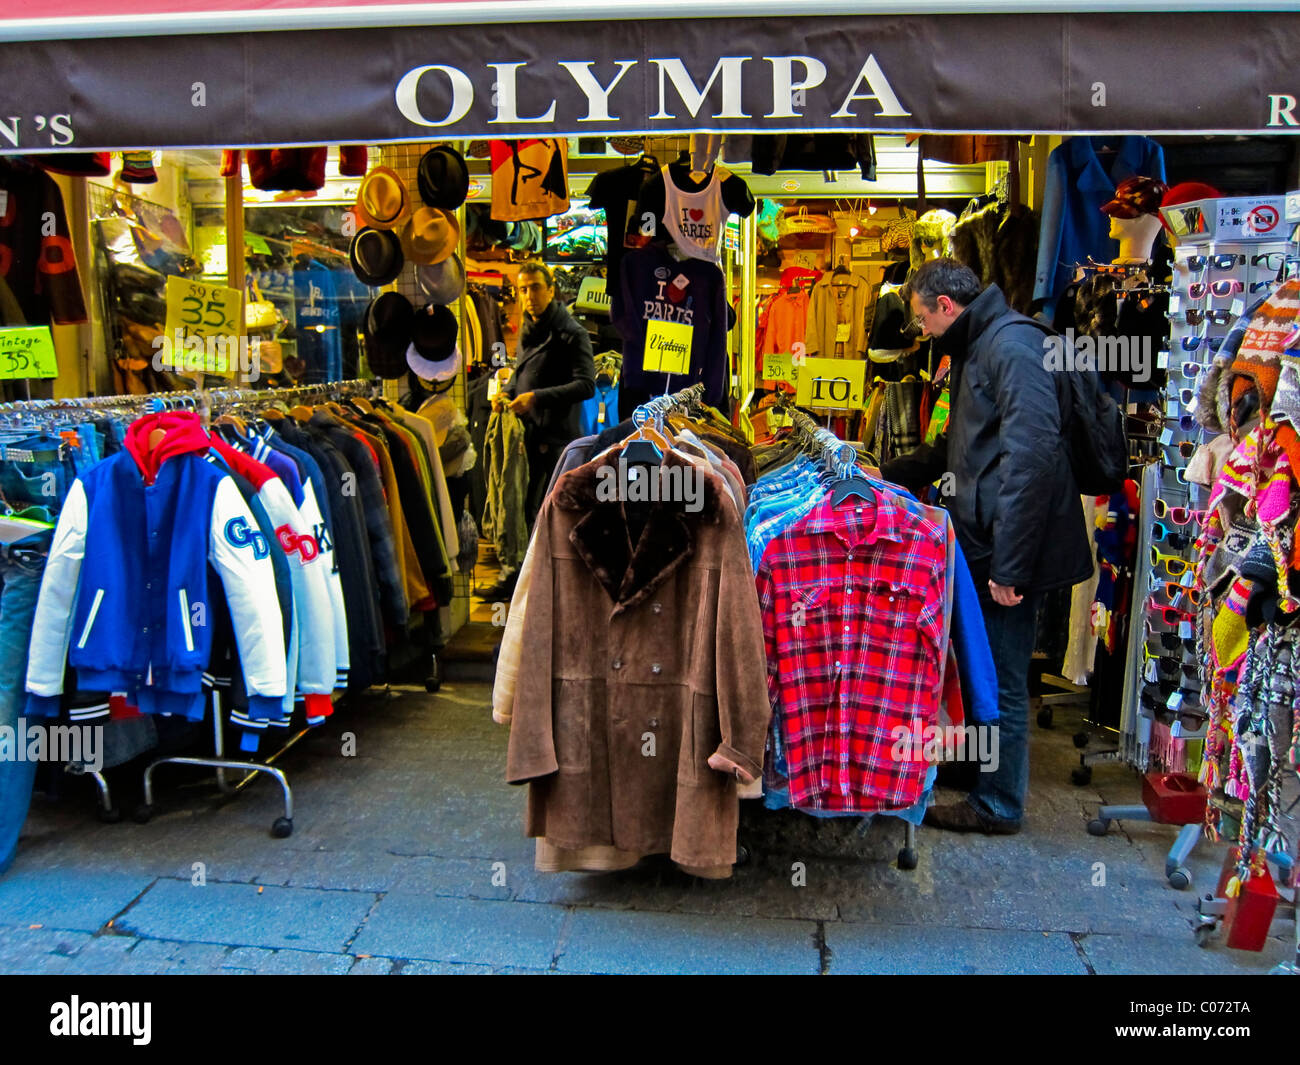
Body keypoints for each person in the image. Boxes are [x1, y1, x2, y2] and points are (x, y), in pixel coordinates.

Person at [883, 258, 1093, 835]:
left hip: (1009, 548)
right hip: (984, 538)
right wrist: (881, 470)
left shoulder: (1012, 346)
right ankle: (983, 770)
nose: (922, 330)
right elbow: (958, 446)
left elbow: (1032, 460)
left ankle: (999, 804)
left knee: (1001, 673)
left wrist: (1010, 566)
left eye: (922, 318)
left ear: (945, 307)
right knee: (978, 663)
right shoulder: (979, 347)